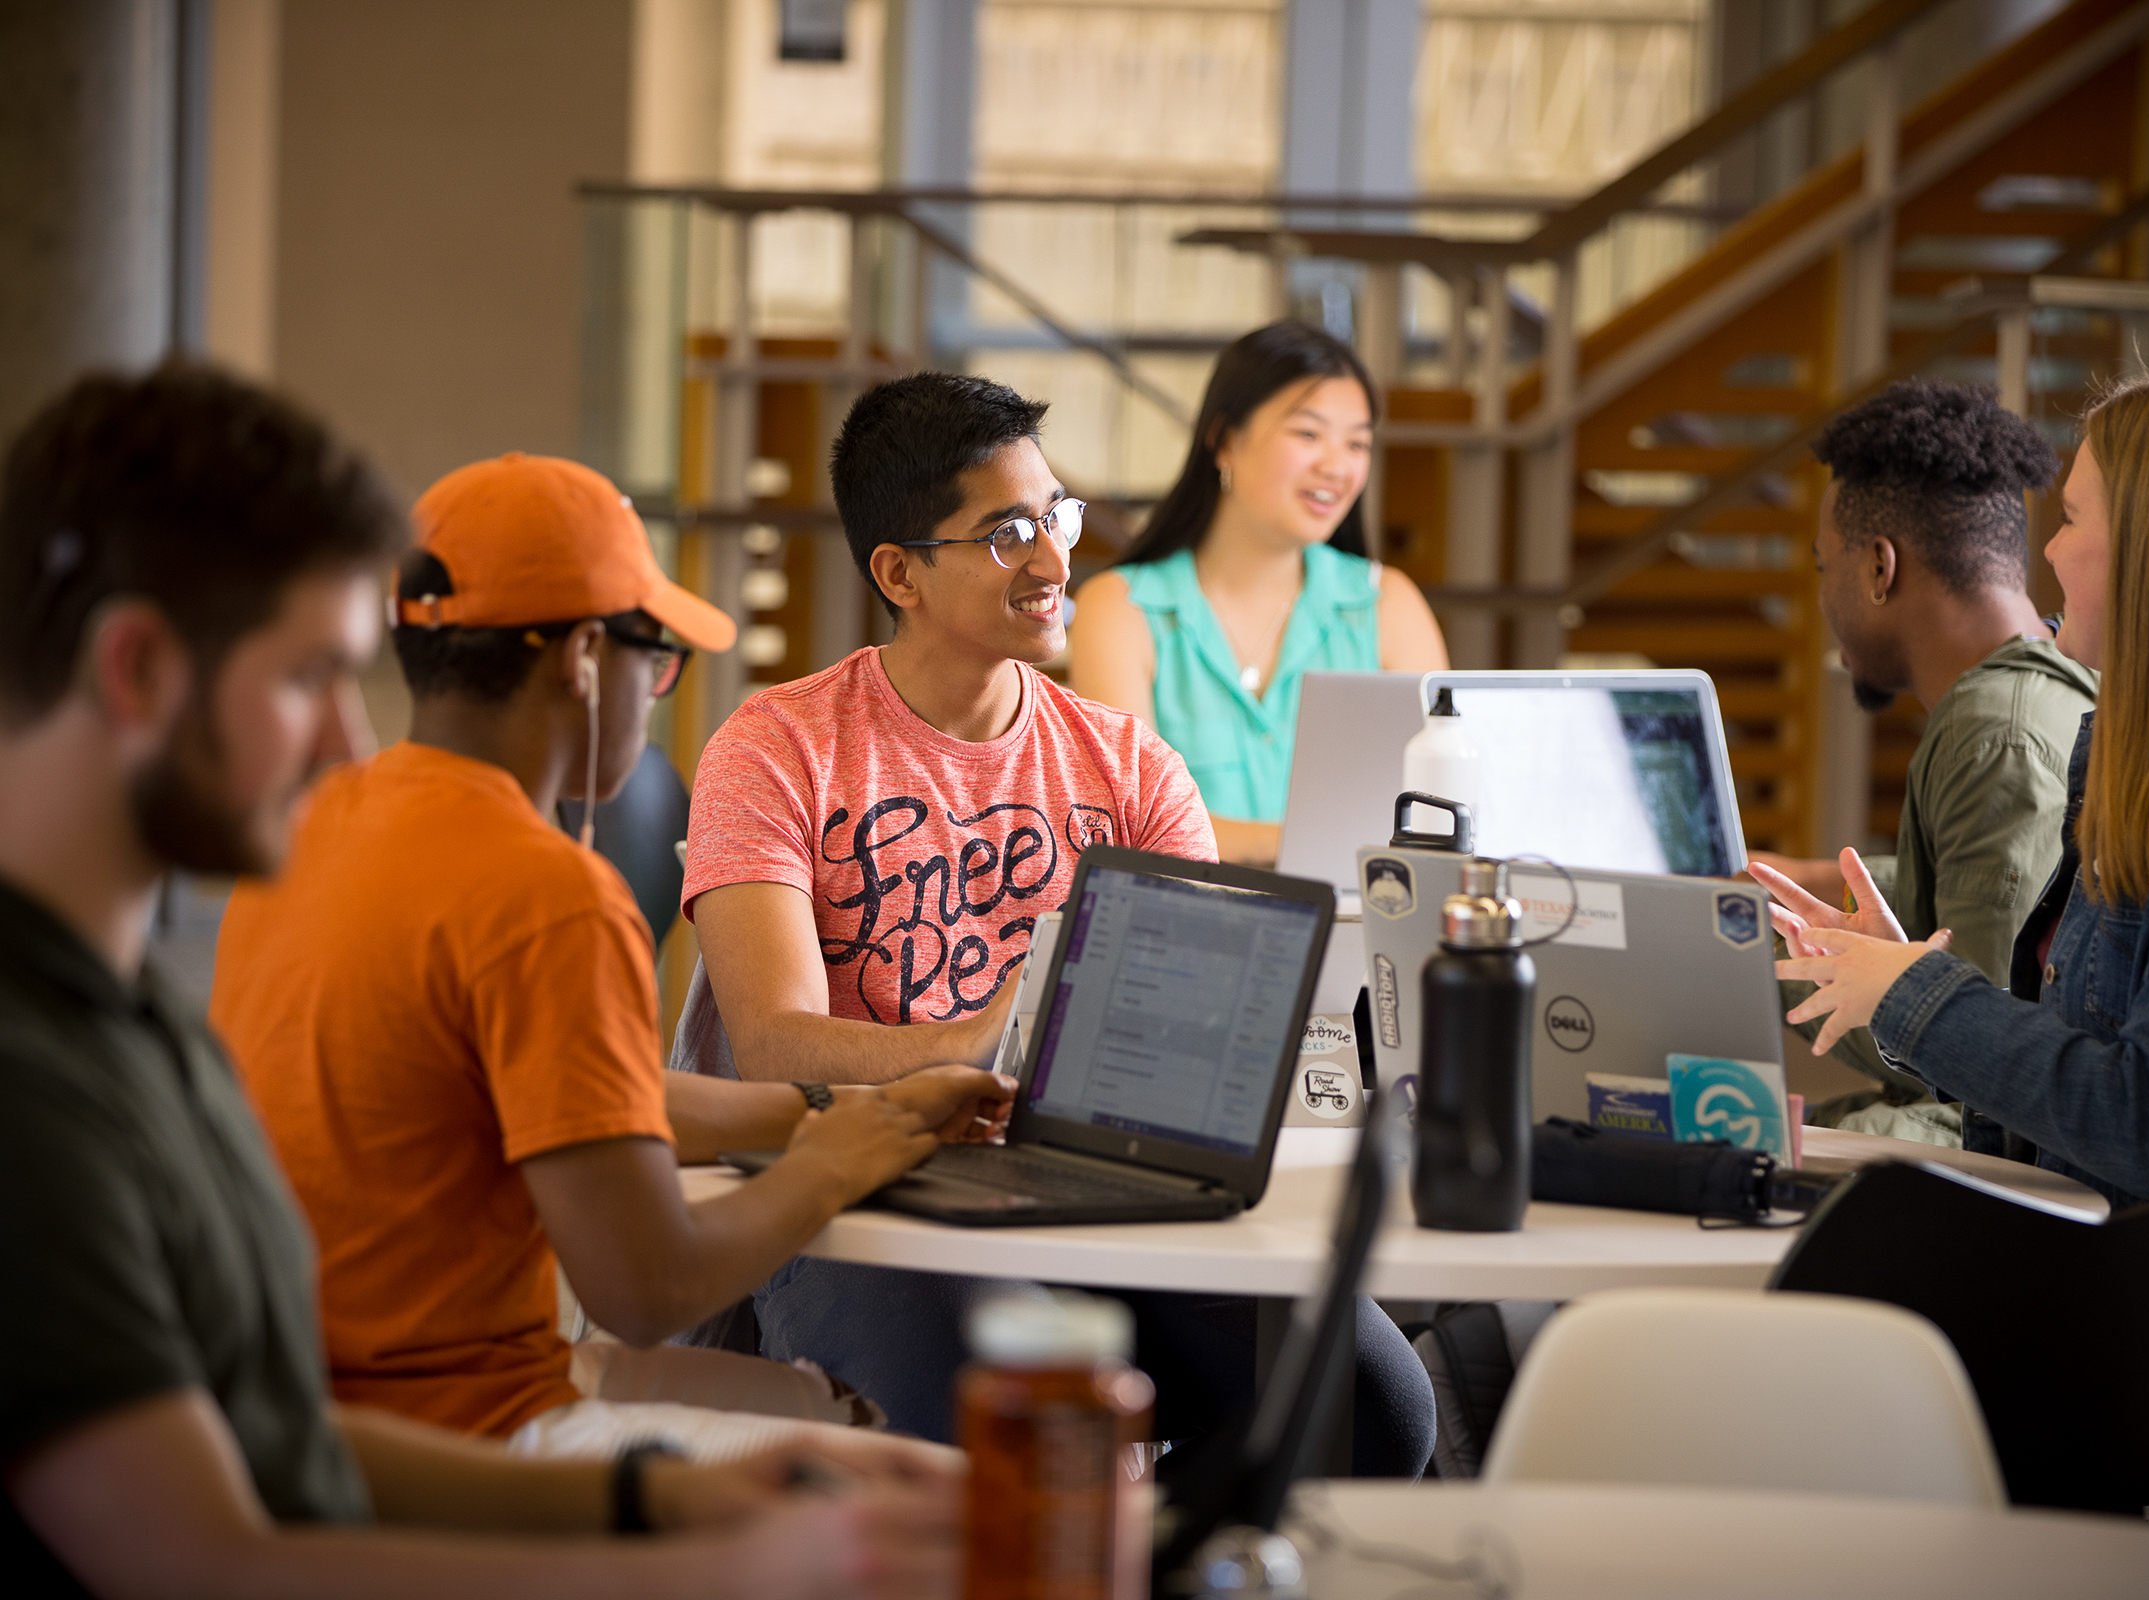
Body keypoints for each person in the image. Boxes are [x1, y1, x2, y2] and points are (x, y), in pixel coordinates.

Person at [0, 365, 956, 1597]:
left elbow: (272, 1436)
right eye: (308, 678)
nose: (351, 744)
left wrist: (653, 1497)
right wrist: (716, 1564)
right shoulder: (35, 1084)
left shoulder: (132, 1022)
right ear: (134, 669)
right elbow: (196, 1558)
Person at [675, 372, 1435, 1475]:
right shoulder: (776, 747)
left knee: (1372, 1405)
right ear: (900, 573)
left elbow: (1202, 1032)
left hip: (1101, 1191)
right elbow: (775, 1042)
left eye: (1057, 517)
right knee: (1015, 1447)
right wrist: (988, 1036)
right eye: (1006, 534)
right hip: (863, 1193)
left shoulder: (1130, 765)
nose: (1052, 561)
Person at [210, 452, 1015, 1459]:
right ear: (587, 658)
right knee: (942, 1480)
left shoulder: (313, 825)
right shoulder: (546, 892)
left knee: (850, 1410)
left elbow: (588, 1095)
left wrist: (850, 1108)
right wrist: (835, 1164)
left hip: (302, 1400)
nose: (658, 692)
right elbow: (646, 1286)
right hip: (472, 1423)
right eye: (658, 657)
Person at [1766, 365, 2149, 1512]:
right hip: (2118, 1326)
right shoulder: (2132, 761)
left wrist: (1920, 995)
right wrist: (1895, 989)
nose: (2048, 553)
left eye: (2074, 520)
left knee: (1763, 1407)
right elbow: (2072, 1094)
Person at [1747, 381, 2095, 1142]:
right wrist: (1799, 883)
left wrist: (1733, 940)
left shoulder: (1994, 737)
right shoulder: (2046, 697)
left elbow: (1975, 1072)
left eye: (1821, 568)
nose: (1822, 599)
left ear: (1879, 568)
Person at [1068, 321, 1448, 866]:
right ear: (1224, 440)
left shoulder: (1389, 605)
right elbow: (1133, 825)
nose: (1337, 467)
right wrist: (1322, 844)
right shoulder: (1121, 609)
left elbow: (1437, 810)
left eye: (1358, 443)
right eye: (1308, 434)